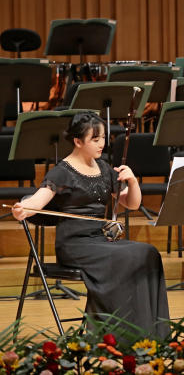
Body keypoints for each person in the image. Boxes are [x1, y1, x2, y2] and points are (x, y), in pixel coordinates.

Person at [12, 112, 169, 338]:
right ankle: (116, 335)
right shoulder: (62, 171)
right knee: (128, 257)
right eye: (95, 139)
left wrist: (133, 181)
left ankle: (149, 334)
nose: (102, 144)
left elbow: (132, 204)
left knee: (148, 252)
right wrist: (23, 209)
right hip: (74, 246)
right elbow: (37, 201)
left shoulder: (104, 168)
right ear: (78, 141)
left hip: (100, 241)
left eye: (103, 138)